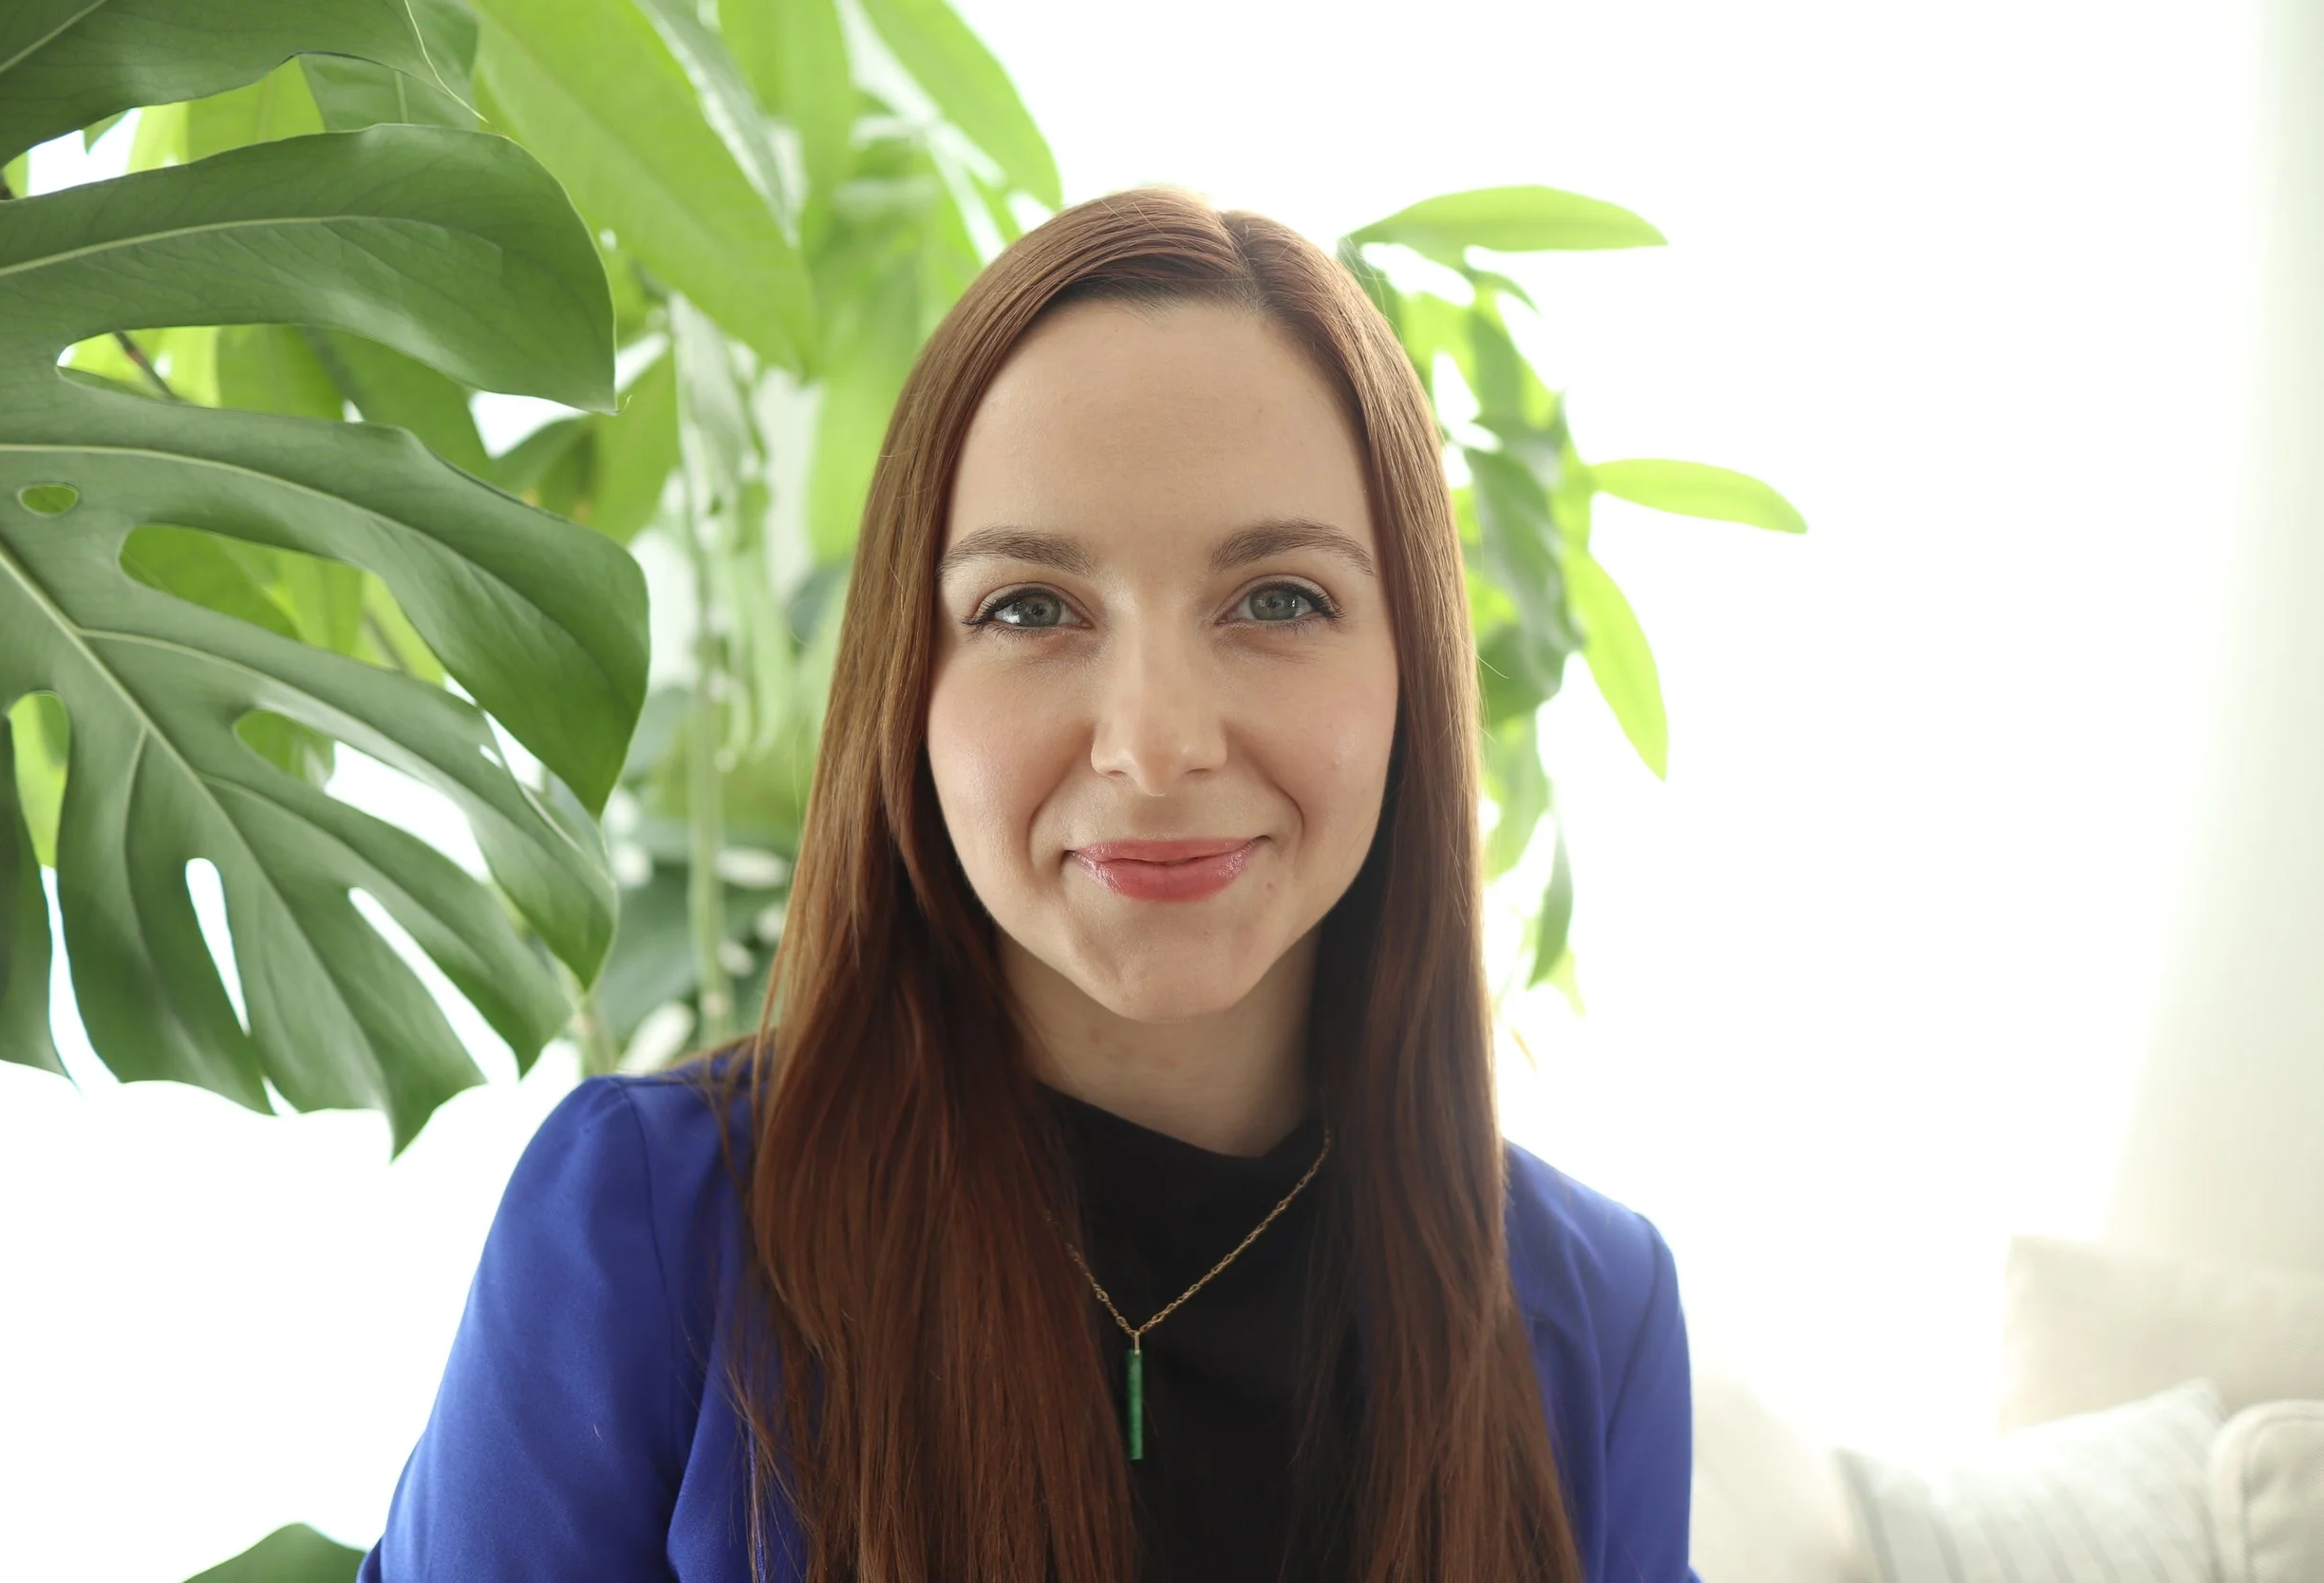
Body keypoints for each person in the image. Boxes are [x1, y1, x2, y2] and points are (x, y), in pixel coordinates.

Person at [359, 186, 1696, 1583]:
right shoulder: (647, 1225)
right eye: (1030, 608)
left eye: (1282, 599)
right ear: (908, 685)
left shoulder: (1593, 1312)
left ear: (1413, 666)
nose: (1157, 741)